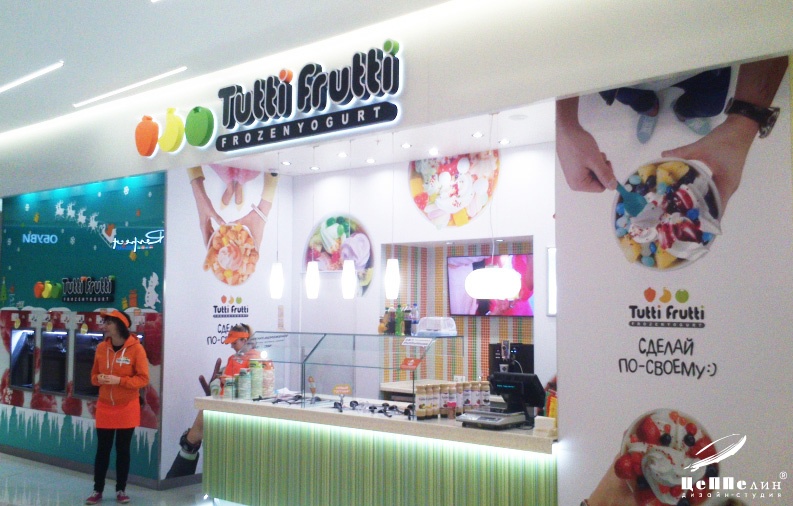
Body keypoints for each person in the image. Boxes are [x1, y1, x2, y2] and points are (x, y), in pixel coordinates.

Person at [556, 56, 788, 213]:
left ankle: (684, 113)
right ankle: (651, 110)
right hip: (621, 76)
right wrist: (565, 126)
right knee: (642, 102)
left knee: (706, 105)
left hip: (707, 60)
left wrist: (742, 126)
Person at [165, 323, 257, 479]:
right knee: (194, 440)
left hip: (235, 409)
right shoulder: (233, 359)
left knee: (195, 439)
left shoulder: (256, 360)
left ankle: (177, 479)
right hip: (221, 406)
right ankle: (178, 480)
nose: (231, 346)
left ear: (245, 340)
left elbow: (252, 387)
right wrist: (215, 387)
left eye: (234, 342)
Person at [85, 309, 150, 505]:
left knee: (123, 450)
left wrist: (119, 380)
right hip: (105, 406)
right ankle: (97, 490)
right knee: (102, 450)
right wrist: (100, 378)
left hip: (127, 406)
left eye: (109, 323)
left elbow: (143, 379)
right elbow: (93, 377)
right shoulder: (101, 348)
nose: (104, 326)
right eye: (105, 322)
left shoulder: (136, 349)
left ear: (120, 326)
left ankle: (121, 490)